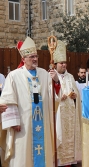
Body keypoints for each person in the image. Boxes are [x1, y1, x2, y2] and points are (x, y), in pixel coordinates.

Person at [0, 37, 58, 167]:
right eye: (31, 57)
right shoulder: (14, 76)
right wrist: (13, 122)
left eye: (36, 56)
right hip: (23, 125)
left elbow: (54, 98)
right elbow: (8, 100)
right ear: (23, 59)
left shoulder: (44, 74)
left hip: (42, 123)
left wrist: (56, 81)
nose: (35, 59)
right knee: (22, 157)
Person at [53, 40, 82, 166]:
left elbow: (76, 93)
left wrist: (75, 96)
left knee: (70, 139)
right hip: (58, 114)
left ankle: (70, 162)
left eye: (65, 63)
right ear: (55, 64)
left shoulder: (70, 76)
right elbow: (50, 95)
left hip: (70, 115)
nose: (64, 65)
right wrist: (59, 97)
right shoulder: (51, 76)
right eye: (61, 63)